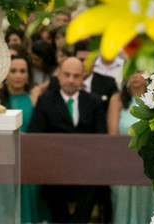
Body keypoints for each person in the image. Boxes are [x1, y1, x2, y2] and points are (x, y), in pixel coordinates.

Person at [29, 56, 108, 222]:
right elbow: (35, 136)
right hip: (55, 170)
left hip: (87, 170)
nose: (71, 80)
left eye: (76, 76)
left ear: (83, 77)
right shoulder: (45, 102)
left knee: (94, 185)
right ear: (58, 75)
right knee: (55, 198)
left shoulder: (94, 102)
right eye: (66, 75)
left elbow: (102, 139)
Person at [0, 51, 48, 223]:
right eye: (13, 71)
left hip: (27, 162)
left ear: (28, 74)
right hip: (0, 163)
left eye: (22, 71)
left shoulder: (34, 97)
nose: (18, 76)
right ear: (5, 74)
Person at [108, 72, 154, 224]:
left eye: (139, 71)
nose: (135, 76)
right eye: (131, 72)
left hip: (152, 163)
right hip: (124, 164)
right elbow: (112, 136)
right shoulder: (117, 100)